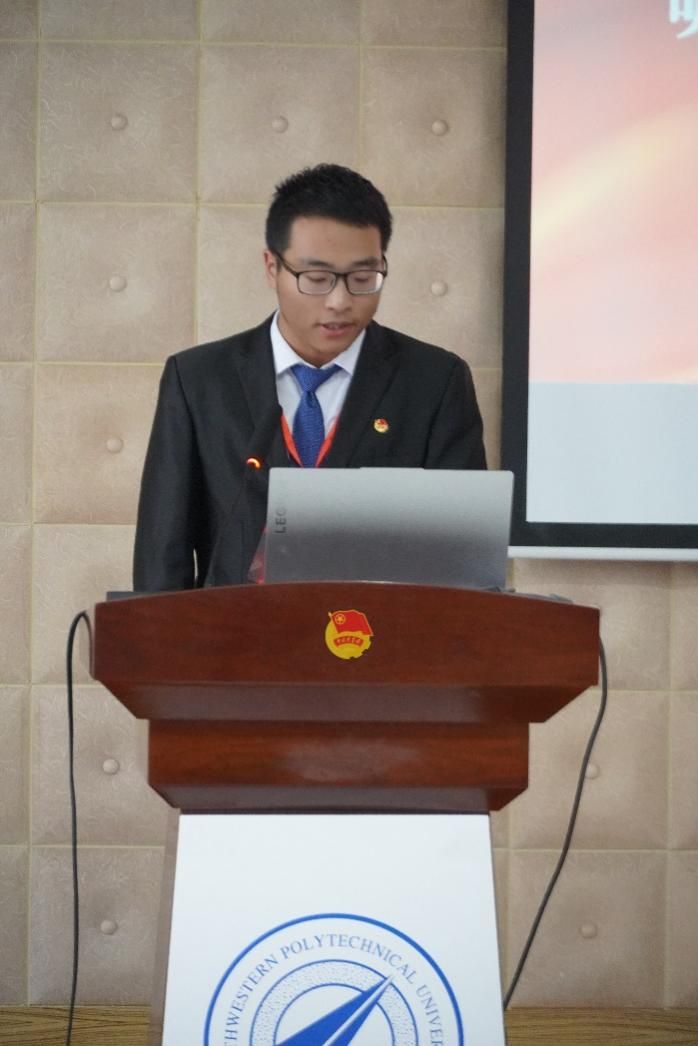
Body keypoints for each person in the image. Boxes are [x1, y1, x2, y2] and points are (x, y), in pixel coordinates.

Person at [133, 164, 486, 591]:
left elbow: (461, 565)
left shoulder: (435, 383)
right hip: (232, 631)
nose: (340, 301)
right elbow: (162, 556)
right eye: (317, 279)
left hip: (379, 630)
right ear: (272, 267)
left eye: (362, 278)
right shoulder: (199, 381)